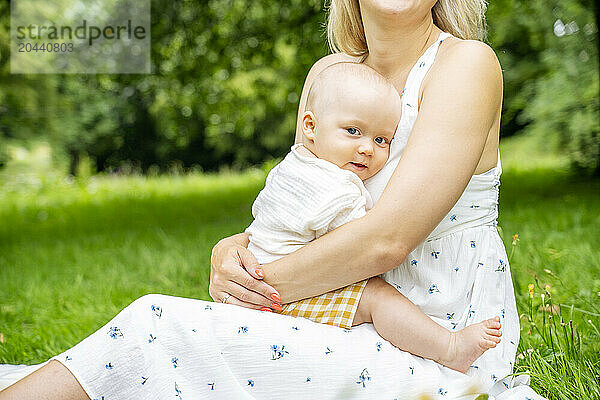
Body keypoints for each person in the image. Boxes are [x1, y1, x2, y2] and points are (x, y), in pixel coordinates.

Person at [0, 0, 546, 399]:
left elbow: (387, 239)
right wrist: (234, 250)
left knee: (157, 326)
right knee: (165, 347)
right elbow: (298, 194)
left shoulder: (467, 65)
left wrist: (256, 287)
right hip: (332, 309)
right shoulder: (332, 74)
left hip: (438, 335)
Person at [246, 61, 502, 373]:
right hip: (291, 295)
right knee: (377, 299)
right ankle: (449, 349)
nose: (367, 148)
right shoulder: (335, 188)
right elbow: (359, 244)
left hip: (267, 271)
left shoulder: (292, 167)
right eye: (353, 131)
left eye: (382, 140)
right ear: (310, 126)